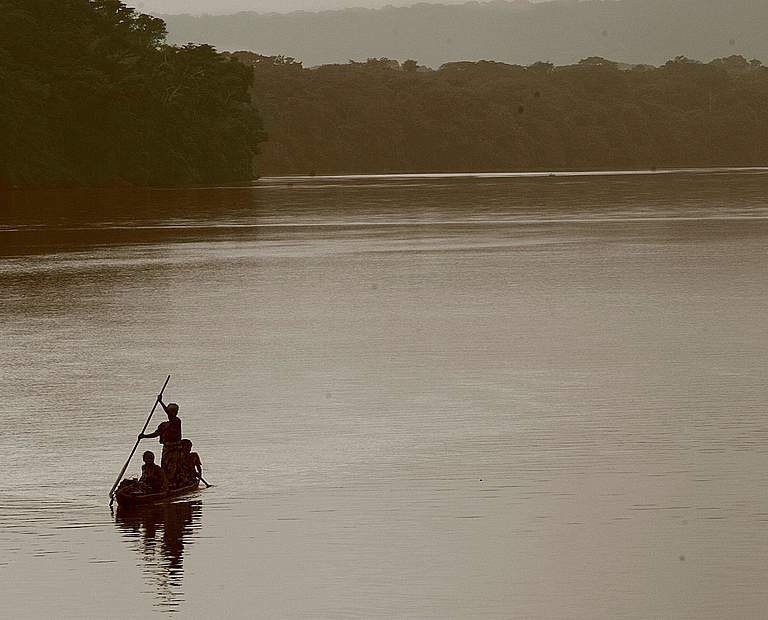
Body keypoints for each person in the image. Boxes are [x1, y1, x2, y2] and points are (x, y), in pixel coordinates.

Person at [138, 396, 184, 488]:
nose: (171, 413)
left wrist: (160, 402)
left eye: (174, 411)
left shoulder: (177, 421)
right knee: (165, 466)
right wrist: (144, 436)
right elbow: (155, 434)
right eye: (171, 411)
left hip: (175, 449)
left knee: (173, 467)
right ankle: (164, 482)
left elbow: (170, 415)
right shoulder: (163, 425)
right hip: (166, 449)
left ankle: (172, 483)